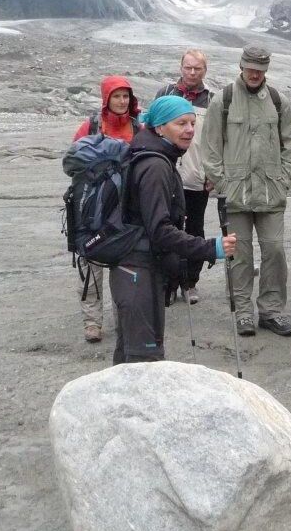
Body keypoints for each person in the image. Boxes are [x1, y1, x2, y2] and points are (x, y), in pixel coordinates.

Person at [110, 96, 238, 364]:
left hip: (136, 269)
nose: (190, 129)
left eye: (192, 123)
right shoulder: (155, 166)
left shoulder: (154, 157)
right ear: (159, 127)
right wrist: (210, 248)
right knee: (143, 359)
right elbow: (160, 230)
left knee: (132, 355)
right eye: (181, 123)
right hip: (138, 273)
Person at [200, 46, 291, 337]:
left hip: (271, 193)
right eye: (250, 68)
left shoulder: (279, 102)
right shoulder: (224, 100)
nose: (255, 74)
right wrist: (223, 184)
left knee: (275, 250)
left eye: (260, 69)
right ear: (241, 66)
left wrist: (283, 180)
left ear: (266, 70)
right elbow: (210, 148)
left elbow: (290, 147)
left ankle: (271, 311)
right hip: (236, 195)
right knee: (239, 255)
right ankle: (243, 312)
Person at [72, 76, 141, 343]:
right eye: (117, 96)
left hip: (124, 207)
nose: (122, 101)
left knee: (125, 263)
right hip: (92, 207)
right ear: (106, 98)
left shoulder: (138, 127)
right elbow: (74, 162)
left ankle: (124, 317)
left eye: (126, 96)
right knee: (90, 263)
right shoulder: (90, 126)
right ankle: (92, 322)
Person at [156, 49, 215, 305]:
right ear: (180, 67)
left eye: (197, 69)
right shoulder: (166, 93)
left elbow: (216, 139)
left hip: (196, 177)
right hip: (167, 174)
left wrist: (212, 172)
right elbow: (152, 127)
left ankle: (190, 282)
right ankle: (168, 282)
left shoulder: (212, 99)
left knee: (194, 229)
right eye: (188, 67)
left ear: (205, 70)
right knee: (166, 229)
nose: (192, 73)